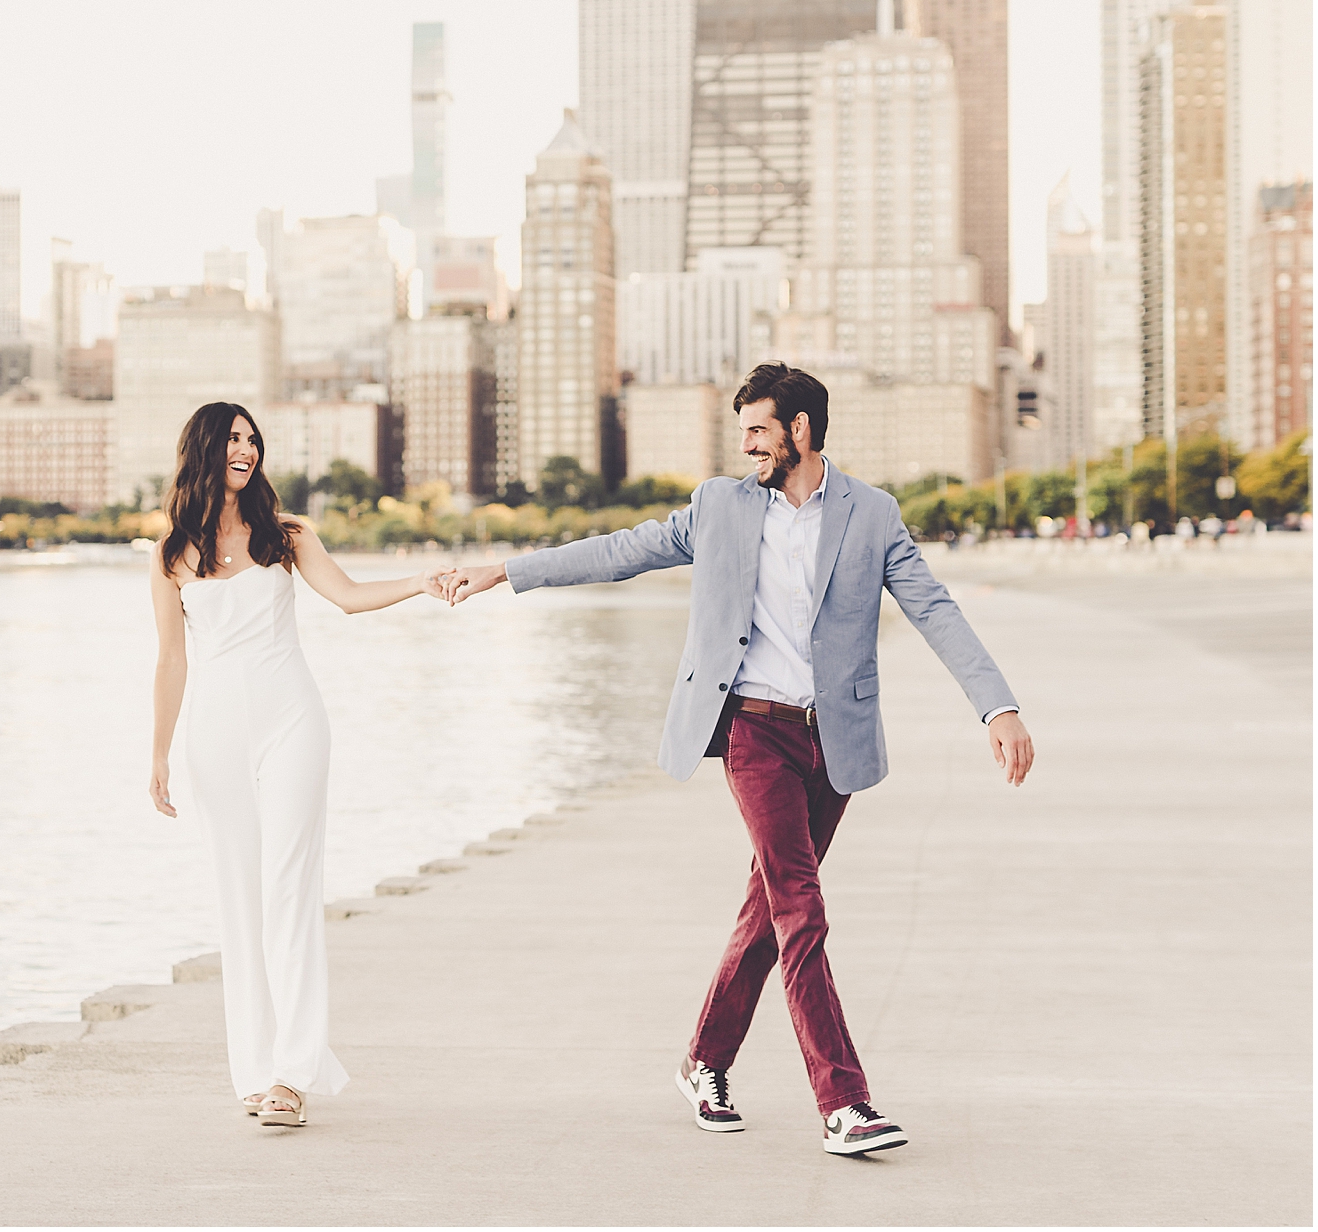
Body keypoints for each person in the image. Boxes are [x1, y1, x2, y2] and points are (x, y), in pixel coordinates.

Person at [440, 363, 1035, 1156]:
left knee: (770, 912)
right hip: (753, 733)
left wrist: (997, 705)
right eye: (743, 430)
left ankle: (704, 1060)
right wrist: (506, 572)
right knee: (801, 908)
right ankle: (844, 1103)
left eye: (758, 429)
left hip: (834, 739)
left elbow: (931, 604)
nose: (746, 444)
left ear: (801, 431)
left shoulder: (871, 514)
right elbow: (621, 551)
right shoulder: (718, 506)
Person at [149, 402, 447, 1127]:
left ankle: (292, 1074)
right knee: (239, 898)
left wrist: (418, 583)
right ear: (205, 451)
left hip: (291, 723)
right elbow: (170, 659)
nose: (246, 450)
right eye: (233, 440)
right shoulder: (169, 551)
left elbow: (346, 597)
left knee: (288, 889)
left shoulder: (286, 536)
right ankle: (255, 1068)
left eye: (253, 440)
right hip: (213, 735)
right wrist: (156, 755)